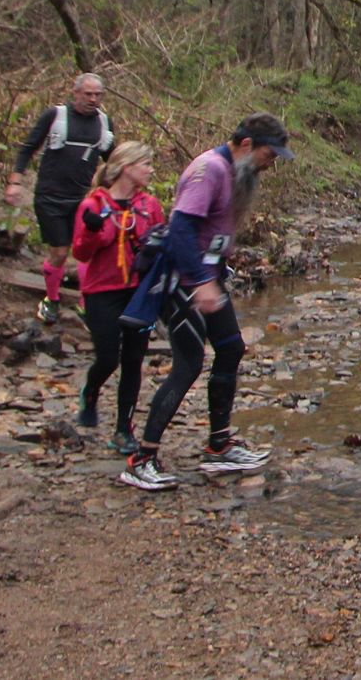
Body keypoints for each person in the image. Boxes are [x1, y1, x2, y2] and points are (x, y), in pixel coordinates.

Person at [118, 113, 291, 491]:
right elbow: (181, 227)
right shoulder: (208, 169)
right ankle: (141, 459)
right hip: (184, 279)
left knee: (230, 349)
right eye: (269, 154)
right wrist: (199, 283)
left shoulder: (238, 172)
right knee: (189, 364)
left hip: (209, 277)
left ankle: (219, 447)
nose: (270, 162)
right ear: (246, 145)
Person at [68, 141, 163, 455]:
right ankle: (91, 391)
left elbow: (160, 243)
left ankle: (124, 429)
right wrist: (93, 232)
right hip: (102, 290)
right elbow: (81, 252)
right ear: (126, 167)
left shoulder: (149, 206)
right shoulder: (93, 205)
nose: (150, 170)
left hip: (137, 291)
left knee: (134, 360)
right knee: (108, 356)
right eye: (145, 164)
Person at [5, 73, 115, 323]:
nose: (93, 99)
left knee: (86, 251)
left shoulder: (104, 123)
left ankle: (85, 303)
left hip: (84, 198)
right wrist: (15, 181)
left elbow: (112, 161)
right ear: (75, 92)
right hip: (50, 196)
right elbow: (28, 148)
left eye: (98, 95)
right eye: (88, 94)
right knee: (59, 251)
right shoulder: (55, 116)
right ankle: (52, 299)